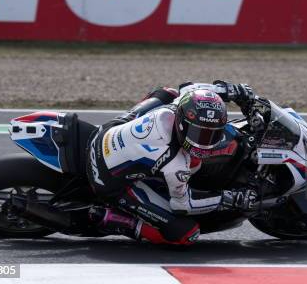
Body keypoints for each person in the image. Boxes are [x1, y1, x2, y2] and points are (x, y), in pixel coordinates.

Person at [86, 81, 258, 245]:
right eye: (199, 134)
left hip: (106, 131)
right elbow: (183, 205)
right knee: (185, 233)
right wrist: (230, 198)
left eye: (212, 135)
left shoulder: (176, 108)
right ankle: (114, 219)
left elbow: (190, 88)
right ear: (183, 125)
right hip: (105, 179)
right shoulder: (176, 163)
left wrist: (229, 90)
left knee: (169, 93)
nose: (204, 143)